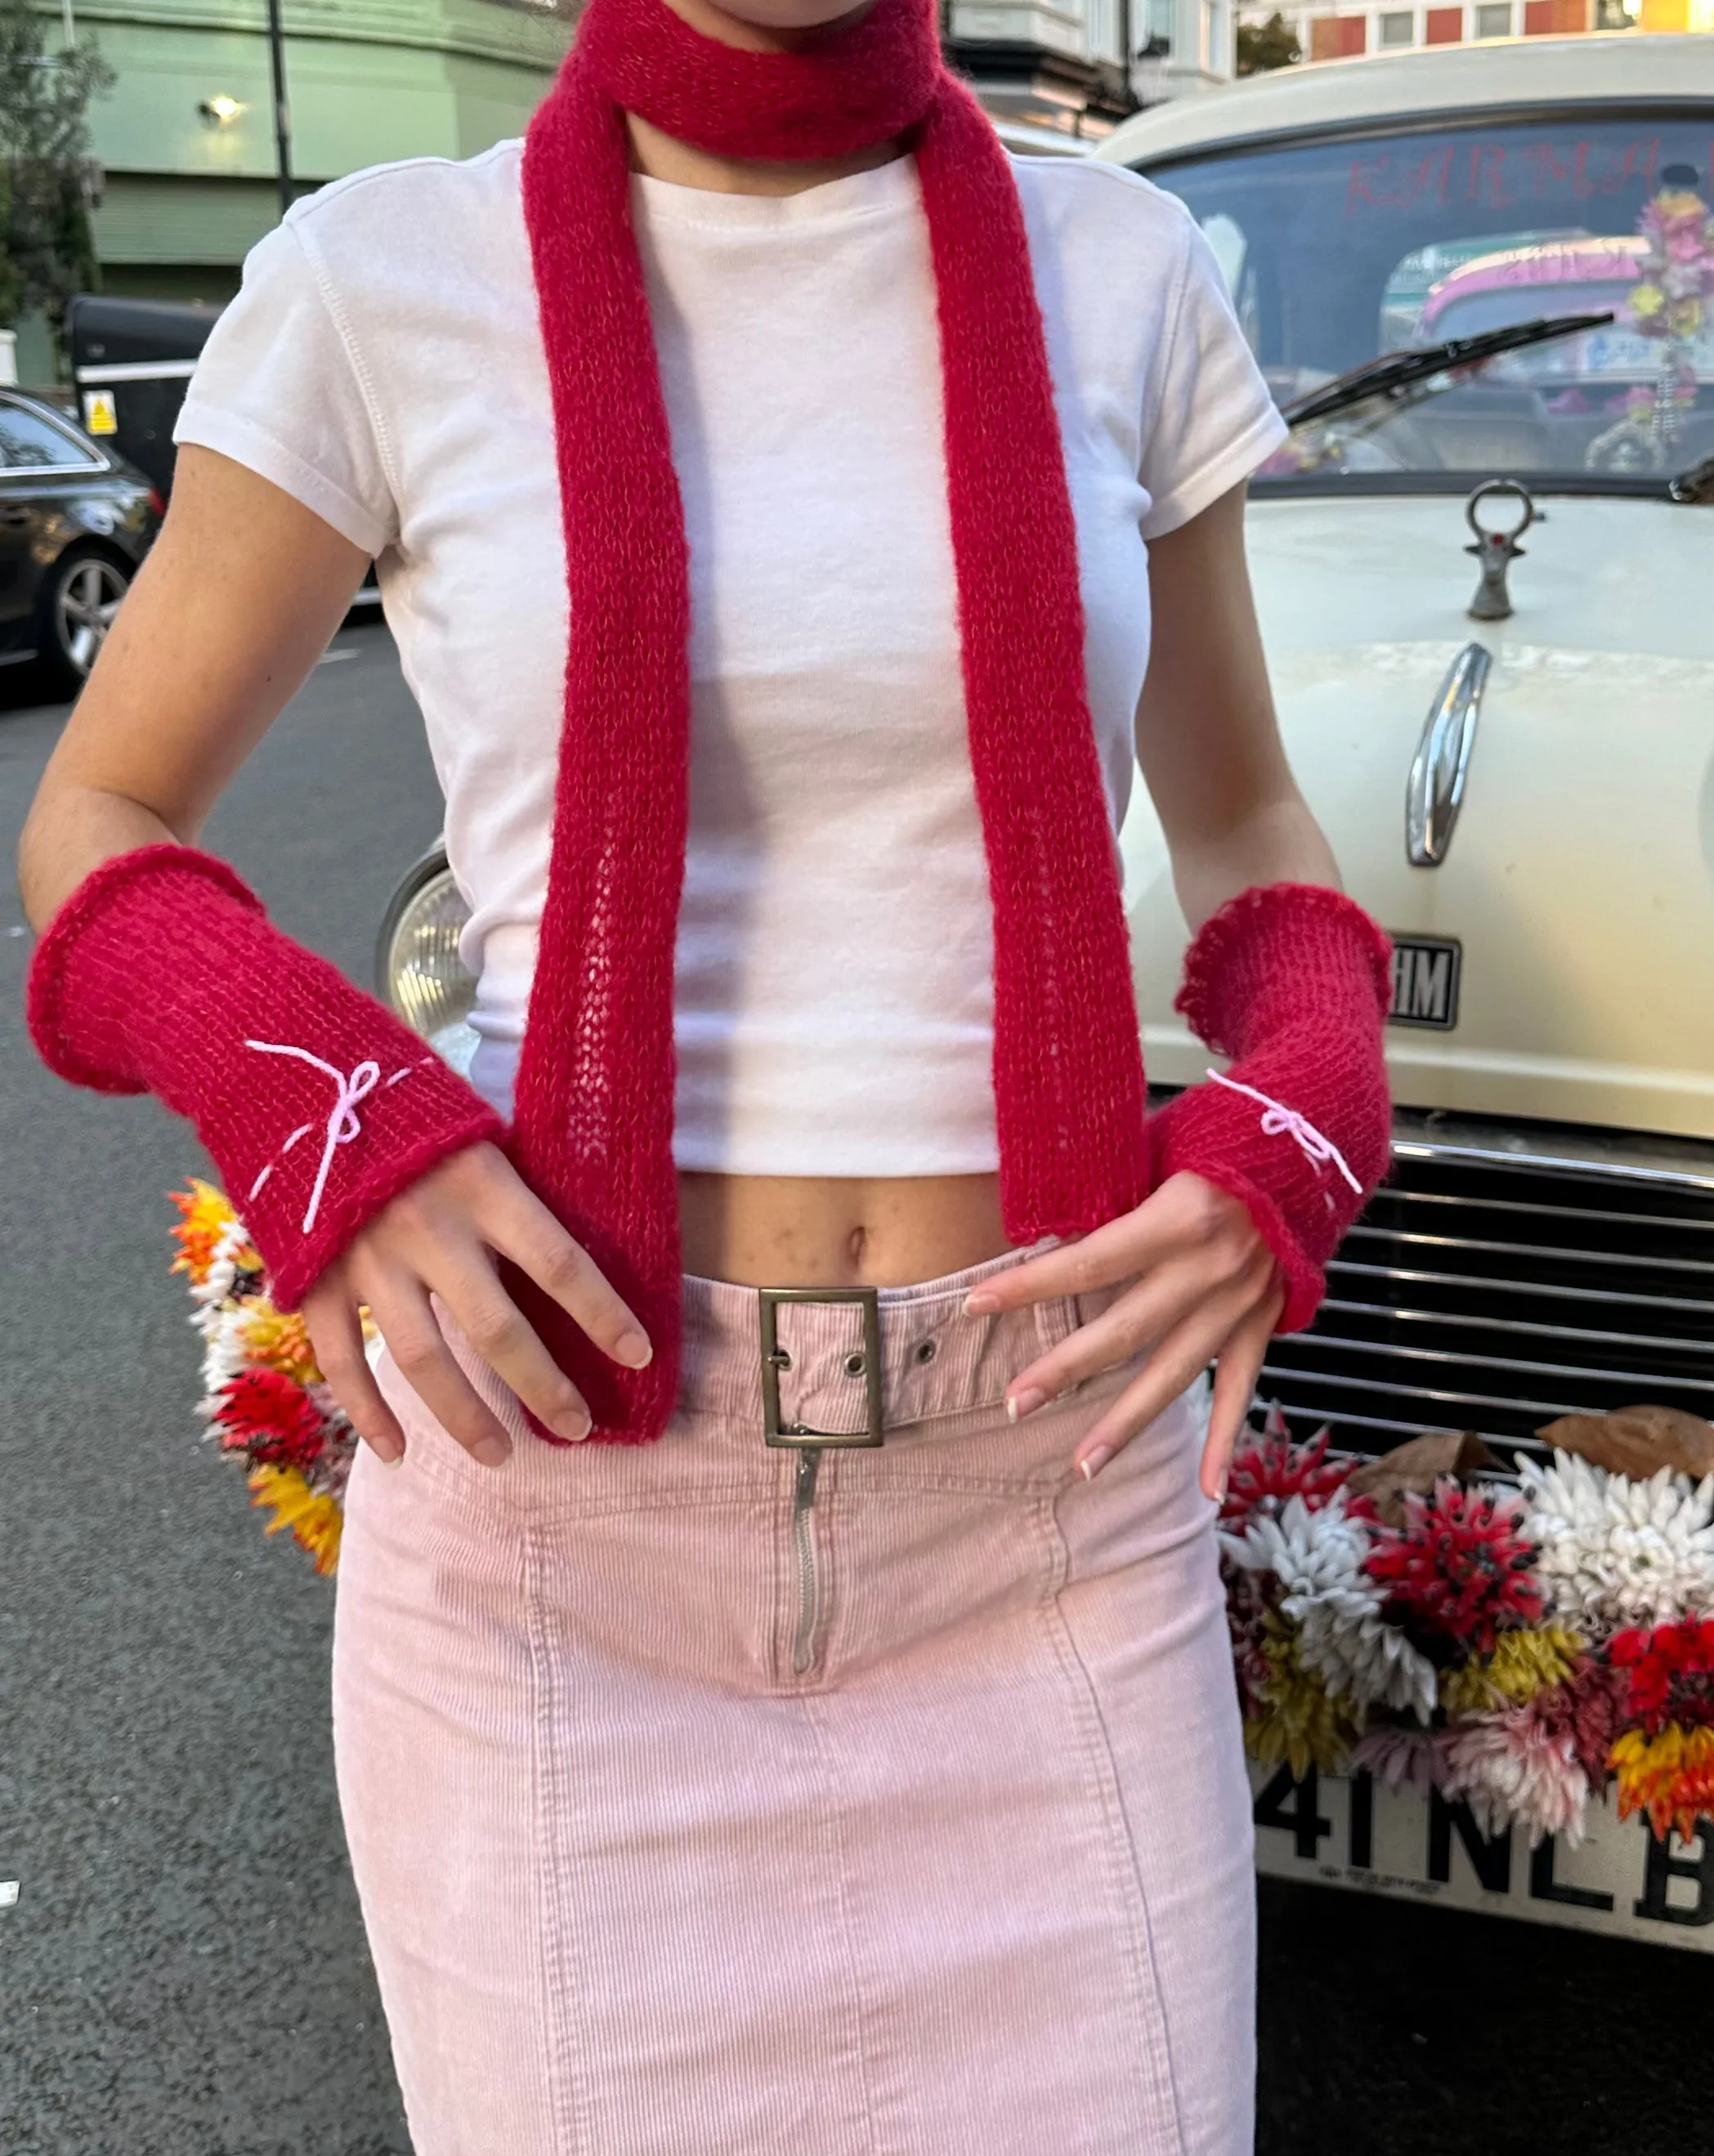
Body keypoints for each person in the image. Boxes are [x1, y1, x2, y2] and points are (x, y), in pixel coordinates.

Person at [16, 0, 1393, 2146]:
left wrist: (1293, 1115)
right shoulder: (386, 277)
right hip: (558, 1533)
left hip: (1040, 1524)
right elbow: (97, 817)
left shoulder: (1121, 269)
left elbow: (1245, 829)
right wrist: (328, 1111)